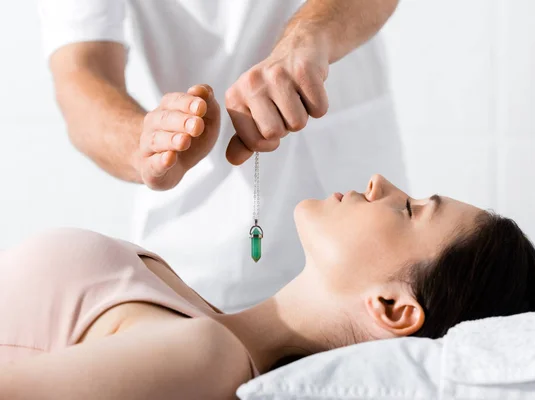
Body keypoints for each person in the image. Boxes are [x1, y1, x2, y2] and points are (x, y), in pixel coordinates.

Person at [0, 174, 535, 399]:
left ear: (392, 307)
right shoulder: (196, 316)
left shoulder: (206, 354)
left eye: (409, 209)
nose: (380, 183)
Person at [39, 0, 407, 312]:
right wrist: (144, 145)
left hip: (370, 256)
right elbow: (79, 72)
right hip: (198, 261)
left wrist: (307, 39)